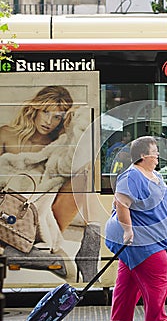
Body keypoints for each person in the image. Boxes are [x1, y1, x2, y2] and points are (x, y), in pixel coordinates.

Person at [0, 85, 100, 282]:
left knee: (84, 173)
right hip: (8, 204)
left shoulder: (59, 144)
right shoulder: (6, 133)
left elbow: (70, 164)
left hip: (37, 208)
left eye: (57, 116)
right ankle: (44, 258)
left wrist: (75, 120)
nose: (48, 121)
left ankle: (90, 249)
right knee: (8, 252)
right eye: (45, 112)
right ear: (35, 109)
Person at [105, 136, 167, 321]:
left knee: (129, 279)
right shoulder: (131, 176)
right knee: (159, 271)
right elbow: (121, 203)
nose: (157, 155)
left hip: (152, 235)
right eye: (154, 151)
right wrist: (128, 230)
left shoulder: (153, 174)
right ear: (142, 155)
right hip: (141, 238)